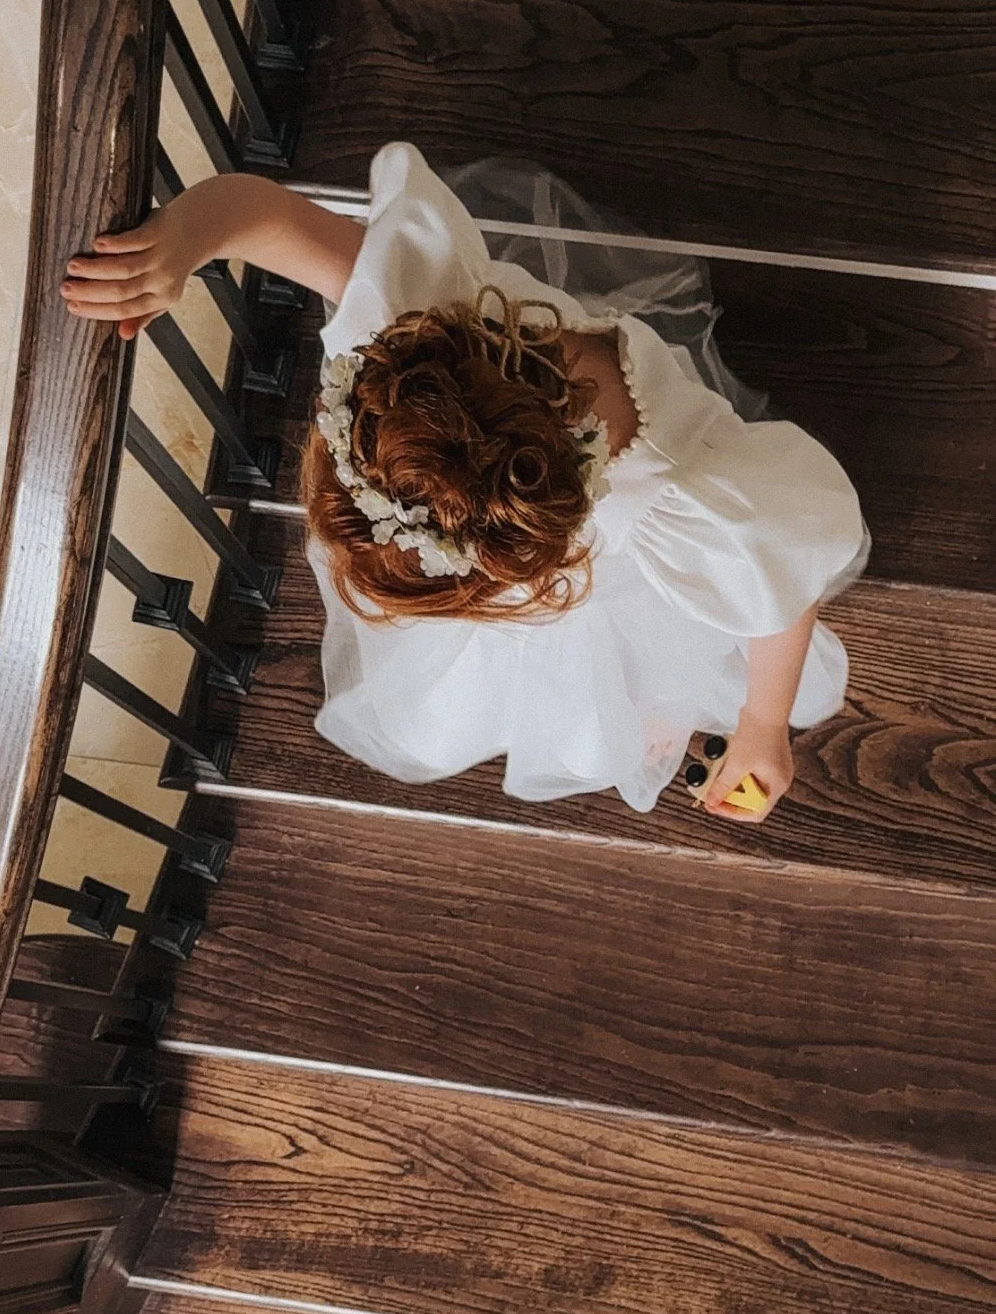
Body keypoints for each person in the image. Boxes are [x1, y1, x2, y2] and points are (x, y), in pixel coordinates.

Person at [61, 142, 869, 822]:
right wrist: (182, 240)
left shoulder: (681, 500)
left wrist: (763, 721)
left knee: (616, 675)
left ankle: (653, 700)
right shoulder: (416, 320)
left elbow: (779, 580)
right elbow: (266, 215)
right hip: (513, 484)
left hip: (631, 558)